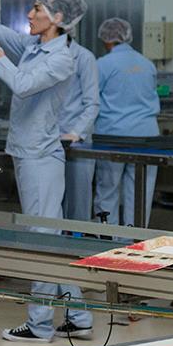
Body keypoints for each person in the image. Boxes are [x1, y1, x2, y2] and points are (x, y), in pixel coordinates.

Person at [0, 0, 94, 342]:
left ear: (58, 18)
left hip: (40, 157)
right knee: (51, 238)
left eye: (36, 9)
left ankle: (39, 324)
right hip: (27, 152)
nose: (29, 15)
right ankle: (78, 315)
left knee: (41, 241)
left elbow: (23, 84)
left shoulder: (62, 58)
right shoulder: (34, 46)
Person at [93, 17, 161, 226]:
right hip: (147, 136)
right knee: (141, 192)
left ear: (106, 40)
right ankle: (135, 237)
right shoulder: (147, 64)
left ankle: (107, 237)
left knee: (108, 190)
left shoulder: (103, 64)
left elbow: (90, 100)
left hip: (113, 135)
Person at [60, 42, 100, 223]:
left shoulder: (84, 57)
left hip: (77, 140)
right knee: (52, 203)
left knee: (79, 201)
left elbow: (92, 104)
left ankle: (77, 237)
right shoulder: (41, 54)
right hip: (49, 140)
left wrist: (76, 132)